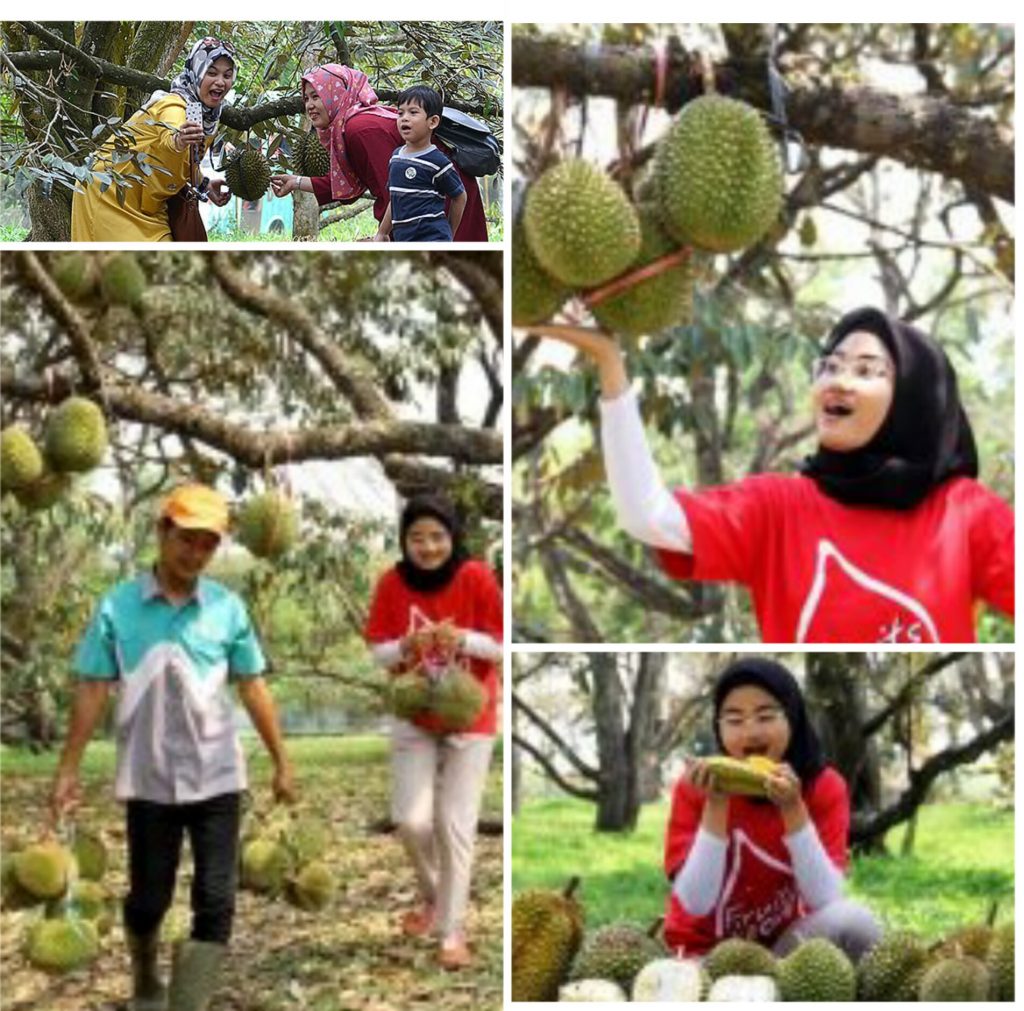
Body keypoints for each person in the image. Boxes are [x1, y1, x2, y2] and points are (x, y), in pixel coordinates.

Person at [525, 307, 1014, 643]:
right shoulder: (779, 506)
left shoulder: (964, 512)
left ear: (913, 398)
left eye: (867, 371)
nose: (838, 380)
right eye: (830, 365)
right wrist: (610, 363)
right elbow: (646, 516)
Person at [50, 484, 295, 1011]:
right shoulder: (118, 607)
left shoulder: (227, 609)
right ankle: (144, 973)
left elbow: (252, 685)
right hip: (150, 777)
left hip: (217, 774)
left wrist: (281, 761)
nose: (196, 553)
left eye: (208, 544)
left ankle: (188, 1003)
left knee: (216, 897)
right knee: (149, 898)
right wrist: (67, 768)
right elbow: (93, 687)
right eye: (187, 539)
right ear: (162, 532)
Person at [364, 494, 502, 969]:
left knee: (455, 824)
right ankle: (434, 897)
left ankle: (452, 931)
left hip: (471, 715)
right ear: (404, 541)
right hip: (414, 713)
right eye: (417, 538)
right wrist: (407, 644)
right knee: (411, 820)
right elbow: (377, 652)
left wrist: (460, 639)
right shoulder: (391, 582)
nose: (427, 547)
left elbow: (502, 648)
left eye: (437, 537)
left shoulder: (476, 577)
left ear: (453, 538)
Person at [666, 658, 881, 960]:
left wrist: (794, 808)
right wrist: (716, 805)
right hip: (701, 954)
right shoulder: (695, 787)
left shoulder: (824, 787)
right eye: (734, 720)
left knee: (857, 922)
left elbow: (825, 899)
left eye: (765, 717)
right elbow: (696, 903)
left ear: (792, 718)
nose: (750, 733)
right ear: (719, 728)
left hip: (783, 953)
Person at [269, 64, 488, 241]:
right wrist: (294, 182)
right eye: (306, 98)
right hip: (430, 199)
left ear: (335, 95)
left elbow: (397, 192)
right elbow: (345, 181)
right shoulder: (347, 128)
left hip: (442, 197)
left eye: (316, 96)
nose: (309, 105)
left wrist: (383, 237)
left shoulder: (360, 129)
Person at [71, 37, 235, 242]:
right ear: (197, 72)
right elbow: (171, 138)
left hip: (147, 198)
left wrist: (205, 185)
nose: (221, 82)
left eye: (227, 75)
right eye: (212, 73)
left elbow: (183, 161)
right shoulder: (172, 106)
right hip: (108, 191)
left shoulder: (208, 114)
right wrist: (179, 139)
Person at [372, 85, 467, 242]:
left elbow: (460, 196)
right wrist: (382, 232)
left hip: (434, 239)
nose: (404, 118)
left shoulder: (438, 161)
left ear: (432, 121)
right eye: (400, 113)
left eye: (413, 112)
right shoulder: (396, 158)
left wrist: (450, 234)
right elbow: (395, 198)